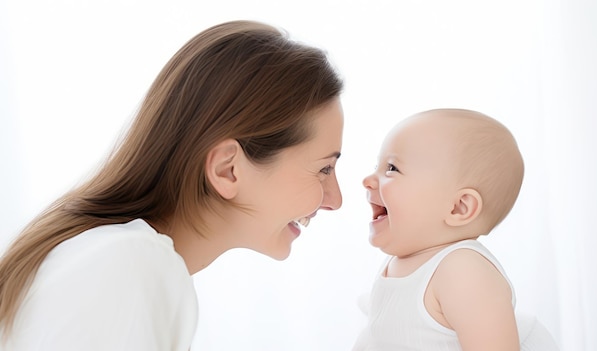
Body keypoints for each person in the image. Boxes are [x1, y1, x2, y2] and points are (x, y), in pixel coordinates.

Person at [0, 20, 344, 350]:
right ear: (228, 170)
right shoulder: (132, 265)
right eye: (325, 169)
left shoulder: (121, 261)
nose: (335, 200)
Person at [352, 109, 559, 351]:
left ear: (459, 207)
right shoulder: (401, 263)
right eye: (378, 165)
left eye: (392, 168)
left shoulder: (463, 269)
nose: (368, 179)